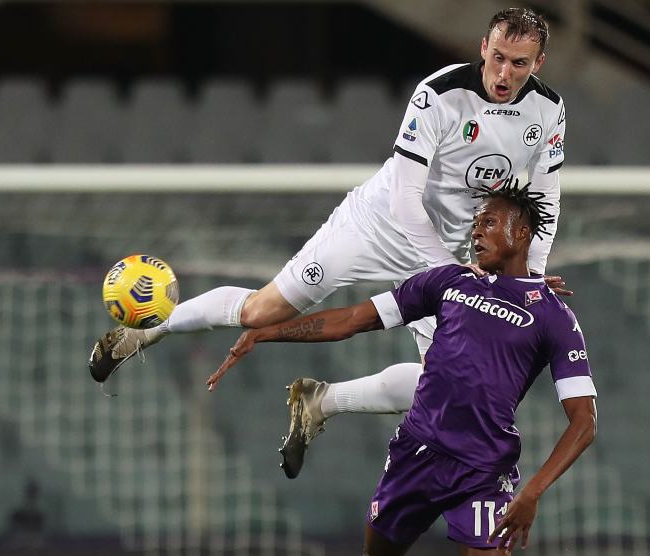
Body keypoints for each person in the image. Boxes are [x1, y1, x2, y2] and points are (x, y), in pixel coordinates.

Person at [89, 7, 569, 472]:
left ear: (537, 64)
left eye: (519, 63)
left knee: (448, 384)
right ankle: (145, 330)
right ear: (483, 47)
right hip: (378, 226)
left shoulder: (547, 111)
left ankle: (320, 401)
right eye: (498, 57)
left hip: (450, 250)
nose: (504, 72)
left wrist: (532, 278)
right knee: (261, 312)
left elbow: (545, 198)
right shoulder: (439, 95)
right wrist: (448, 271)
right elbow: (405, 198)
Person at [206, 181, 597, 555]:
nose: (476, 233)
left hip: (483, 469)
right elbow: (355, 318)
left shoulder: (553, 316)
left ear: (523, 232)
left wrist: (533, 492)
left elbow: (584, 422)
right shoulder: (450, 282)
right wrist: (270, 331)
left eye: (489, 223)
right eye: (474, 224)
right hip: (416, 453)